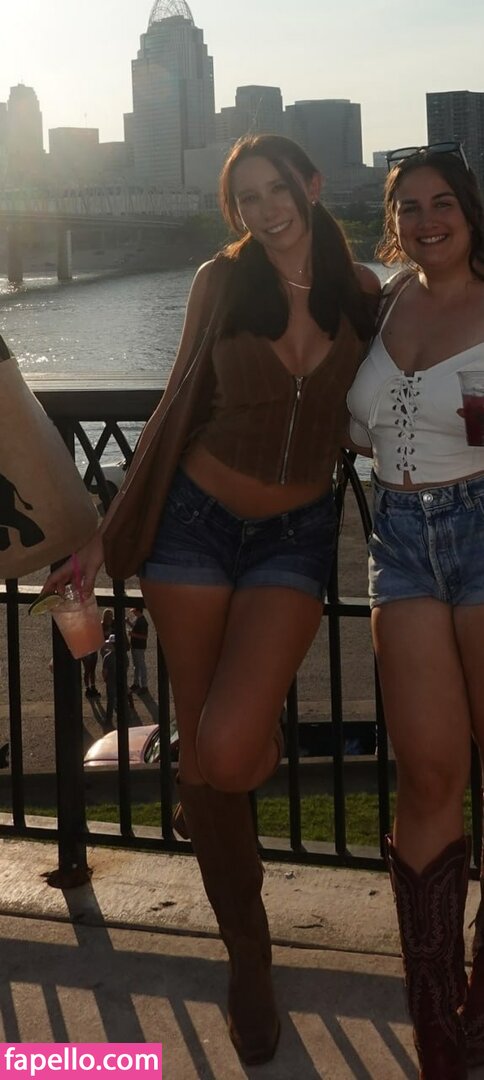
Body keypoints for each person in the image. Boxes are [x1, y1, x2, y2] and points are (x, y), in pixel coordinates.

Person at [43, 133, 379, 1066]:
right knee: (205, 740)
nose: (265, 210)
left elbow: (407, 390)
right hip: (194, 524)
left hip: (295, 535)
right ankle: (249, 957)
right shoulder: (221, 282)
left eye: (278, 189)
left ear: (313, 186)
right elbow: (176, 403)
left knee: (226, 748)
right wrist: (102, 539)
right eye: (246, 198)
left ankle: (206, 781)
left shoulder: (365, 295)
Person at [346, 141, 484, 1079]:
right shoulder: (383, 299)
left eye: (443, 203)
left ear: (469, 211)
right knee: (429, 776)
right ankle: (438, 1020)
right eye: (409, 207)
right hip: (398, 540)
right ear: (392, 222)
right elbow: (360, 419)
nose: (427, 220)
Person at [127, 605, 149, 693]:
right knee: (136, 666)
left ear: (138, 611)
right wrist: (128, 622)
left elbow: (145, 636)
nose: (133, 613)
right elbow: (135, 627)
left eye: (134, 611)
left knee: (141, 666)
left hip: (139, 647)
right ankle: (136, 683)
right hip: (135, 646)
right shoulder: (138, 619)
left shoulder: (142, 622)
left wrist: (133, 635)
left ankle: (144, 685)